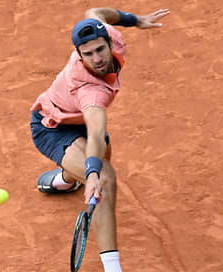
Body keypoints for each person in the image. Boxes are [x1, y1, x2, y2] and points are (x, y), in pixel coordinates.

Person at [29, 7, 170, 271]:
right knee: (104, 177)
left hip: (79, 121)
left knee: (101, 159)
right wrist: (93, 174)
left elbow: (95, 12)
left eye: (100, 50)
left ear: (109, 42)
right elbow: (95, 133)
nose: (97, 59)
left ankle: (65, 180)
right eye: (88, 55)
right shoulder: (90, 91)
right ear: (79, 56)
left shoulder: (114, 38)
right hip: (53, 127)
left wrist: (135, 20)